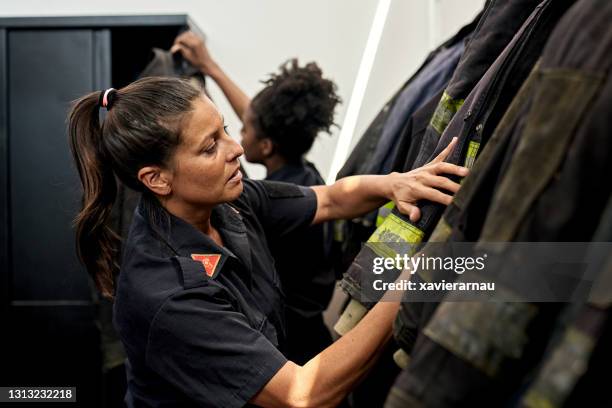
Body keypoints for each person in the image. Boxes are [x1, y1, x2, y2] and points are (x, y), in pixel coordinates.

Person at [68, 76, 467, 407]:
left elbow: (328, 198)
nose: (236, 148)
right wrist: (410, 284)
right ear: (157, 179)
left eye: (224, 130)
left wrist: (396, 183)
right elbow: (303, 393)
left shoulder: (230, 202)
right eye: (210, 147)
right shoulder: (168, 294)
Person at [171, 32, 341, 363]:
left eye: (241, 132)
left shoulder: (272, 205)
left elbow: (252, 133)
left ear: (265, 147)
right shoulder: (304, 174)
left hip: (294, 349)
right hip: (308, 335)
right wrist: (212, 69)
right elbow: (259, 120)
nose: (235, 141)